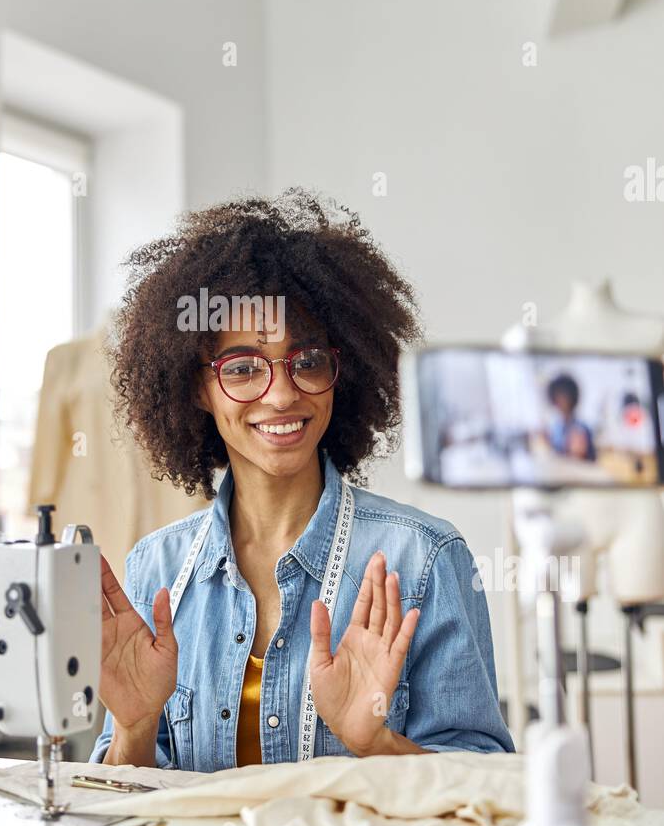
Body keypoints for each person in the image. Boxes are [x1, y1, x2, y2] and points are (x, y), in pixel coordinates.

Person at [91, 190, 514, 770]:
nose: (284, 394)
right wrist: (134, 730)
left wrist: (377, 743)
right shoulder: (156, 569)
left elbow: (484, 783)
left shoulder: (424, 558)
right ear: (197, 388)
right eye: (242, 368)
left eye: (307, 360)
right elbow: (122, 810)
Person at [546, 374, 596, 462]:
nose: (559, 401)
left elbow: (578, 458)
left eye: (562, 396)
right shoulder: (556, 426)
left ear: (571, 397)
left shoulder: (580, 428)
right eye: (556, 397)